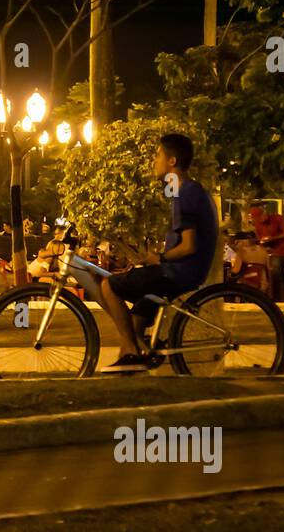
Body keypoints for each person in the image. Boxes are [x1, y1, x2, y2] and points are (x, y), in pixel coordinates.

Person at [93, 134, 217, 373]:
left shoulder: (184, 193)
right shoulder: (190, 191)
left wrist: (158, 259)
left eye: (157, 155)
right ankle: (131, 362)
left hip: (177, 273)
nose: (153, 160)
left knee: (109, 285)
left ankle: (130, 350)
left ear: (172, 161)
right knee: (138, 314)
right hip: (182, 271)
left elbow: (189, 246)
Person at [249, 204, 284, 301]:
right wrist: (264, 245)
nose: (261, 219)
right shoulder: (258, 226)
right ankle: (278, 299)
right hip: (276, 252)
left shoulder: (277, 218)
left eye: (262, 215)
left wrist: (272, 239)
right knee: (275, 273)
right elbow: (260, 240)